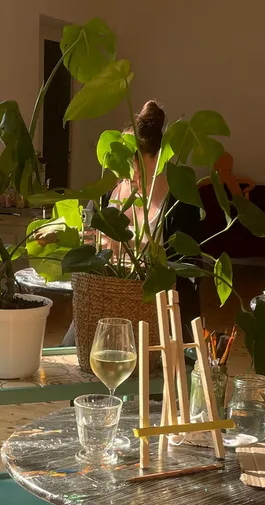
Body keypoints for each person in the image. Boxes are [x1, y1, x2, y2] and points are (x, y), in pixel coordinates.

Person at [62, 101, 203, 345]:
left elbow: (189, 268)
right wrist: (90, 241)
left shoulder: (180, 202)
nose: (130, 170)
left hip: (157, 307)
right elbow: (85, 243)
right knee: (70, 349)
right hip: (105, 299)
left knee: (164, 365)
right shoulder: (108, 196)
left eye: (136, 160)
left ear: (158, 158)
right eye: (124, 159)